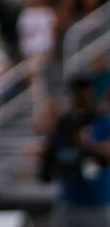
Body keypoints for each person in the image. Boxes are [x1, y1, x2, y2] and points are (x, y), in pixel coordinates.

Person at [41, 76, 110, 224]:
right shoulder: (65, 123)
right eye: (78, 96)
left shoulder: (103, 121)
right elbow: (51, 153)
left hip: (97, 203)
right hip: (68, 201)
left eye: (85, 95)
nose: (82, 100)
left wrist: (86, 144)